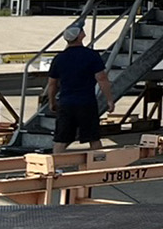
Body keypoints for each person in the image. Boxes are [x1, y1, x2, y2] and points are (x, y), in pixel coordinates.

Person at [43, 23, 113, 151]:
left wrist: (52, 102)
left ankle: (55, 167)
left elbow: (52, 84)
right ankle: (99, 166)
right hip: (86, 103)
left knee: (61, 140)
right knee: (93, 138)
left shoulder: (59, 59)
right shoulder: (91, 56)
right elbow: (102, 79)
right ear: (81, 36)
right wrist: (109, 99)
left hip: (66, 103)